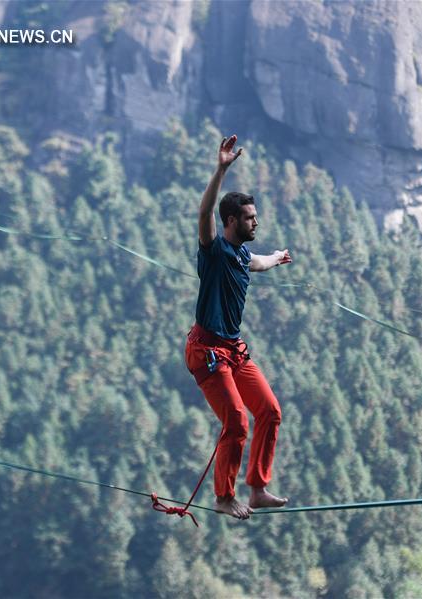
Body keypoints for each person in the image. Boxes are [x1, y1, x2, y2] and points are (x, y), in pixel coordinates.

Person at [185, 134, 292, 519]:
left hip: (232, 349)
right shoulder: (214, 251)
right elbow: (203, 215)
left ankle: (258, 487)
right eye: (249, 217)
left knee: (270, 411)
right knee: (237, 420)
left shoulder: (242, 254)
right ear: (231, 221)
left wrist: (278, 257)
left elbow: (257, 262)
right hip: (207, 352)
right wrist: (220, 170)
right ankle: (223, 496)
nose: (255, 220)